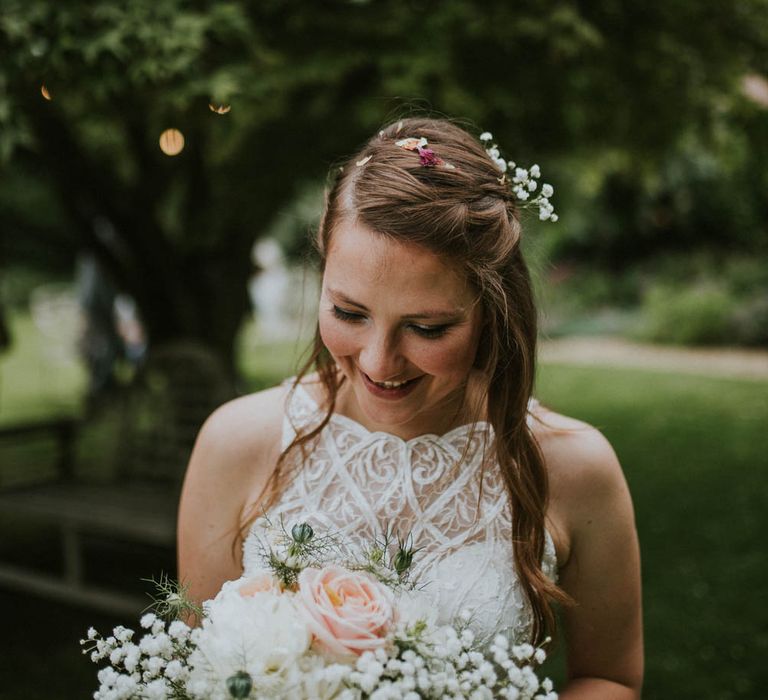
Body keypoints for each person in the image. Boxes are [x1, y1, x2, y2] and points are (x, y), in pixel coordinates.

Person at [178, 117, 643, 698]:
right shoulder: (235, 443)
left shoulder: (577, 469)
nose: (379, 361)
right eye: (349, 313)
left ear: (491, 312)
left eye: (427, 327)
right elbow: (194, 669)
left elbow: (610, 677)